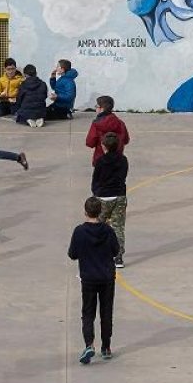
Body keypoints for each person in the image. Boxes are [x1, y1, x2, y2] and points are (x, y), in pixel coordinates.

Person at [68, 196, 120, 364]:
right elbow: (115, 251)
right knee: (106, 312)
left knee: (88, 312)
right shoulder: (108, 230)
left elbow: (72, 254)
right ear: (100, 211)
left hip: (89, 278)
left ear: (85, 212)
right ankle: (106, 347)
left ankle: (89, 344)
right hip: (106, 277)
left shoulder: (79, 231)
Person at [92, 132, 129, 268]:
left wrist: (96, 193)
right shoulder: (123, 160)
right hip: (119, 196)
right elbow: (123, 175)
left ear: (104, 146)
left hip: (104, 196)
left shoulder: (100, 161)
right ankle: (118, 257)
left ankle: (98, 253)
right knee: (118, 226)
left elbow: (96, 179)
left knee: (98, 225)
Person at [85, 95, 130, 166]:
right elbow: (126, 140)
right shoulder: (120, 123)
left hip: (101, 160)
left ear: (102, 108)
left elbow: (90, 143)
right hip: (117, 161)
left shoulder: (96, 124)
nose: (95, 108)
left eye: (97, 106)